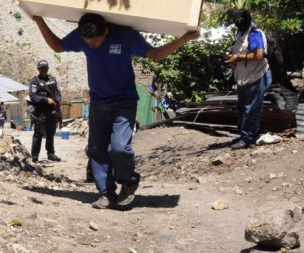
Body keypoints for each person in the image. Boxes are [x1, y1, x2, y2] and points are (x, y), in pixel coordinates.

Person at [32, 13, 199, 209]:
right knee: (96, 149)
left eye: (95, 43)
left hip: (124, 101)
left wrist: (185, 38)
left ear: (106, 31)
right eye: (88, 44)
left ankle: (129, 181)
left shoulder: (125, 36)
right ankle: (106, 193)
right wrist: (39, 20)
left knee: (119, 148)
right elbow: (58, 46)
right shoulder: (82, 36)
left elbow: (155, 54)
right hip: (98, 102)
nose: (92, 46)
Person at [224, 9, 272, 150]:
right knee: (243, 107)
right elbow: (238, 51)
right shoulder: (240, 34)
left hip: (256, 75)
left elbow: (259, 55)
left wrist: (238, 57)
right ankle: (246, 134)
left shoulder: (254, 33)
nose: (238, 24)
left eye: (240, 21)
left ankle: (248, 139)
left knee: (251, 108)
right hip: (244, 77)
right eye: (236, 21)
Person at [28, 59, 62, 163]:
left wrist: (56, 104)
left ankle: (50, 153)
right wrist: (46, 99)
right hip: (40, 112)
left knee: (51, 133)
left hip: (51, 111)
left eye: (45, 68)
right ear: (38, 69)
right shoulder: (34, 81)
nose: (44, 70)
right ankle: (35, 156)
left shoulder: (52, 79)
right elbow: (33, 96)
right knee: (38, 134)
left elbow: (57, 93)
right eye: (41, 68)